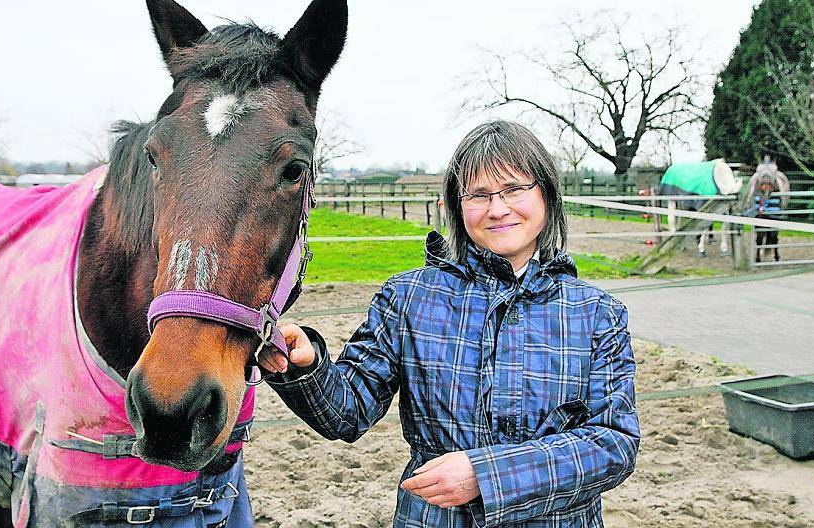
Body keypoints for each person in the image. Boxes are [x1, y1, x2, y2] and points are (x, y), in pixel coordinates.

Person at [259, 120, 640, 527]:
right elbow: (348, 413)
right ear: (457, 207)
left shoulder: (597, 313)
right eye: (478, 194)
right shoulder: (408, 299)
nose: (497, 209)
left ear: (546, 194)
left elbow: (613, 444)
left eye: (514, 189)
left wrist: (486, 476)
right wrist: (307, 368)